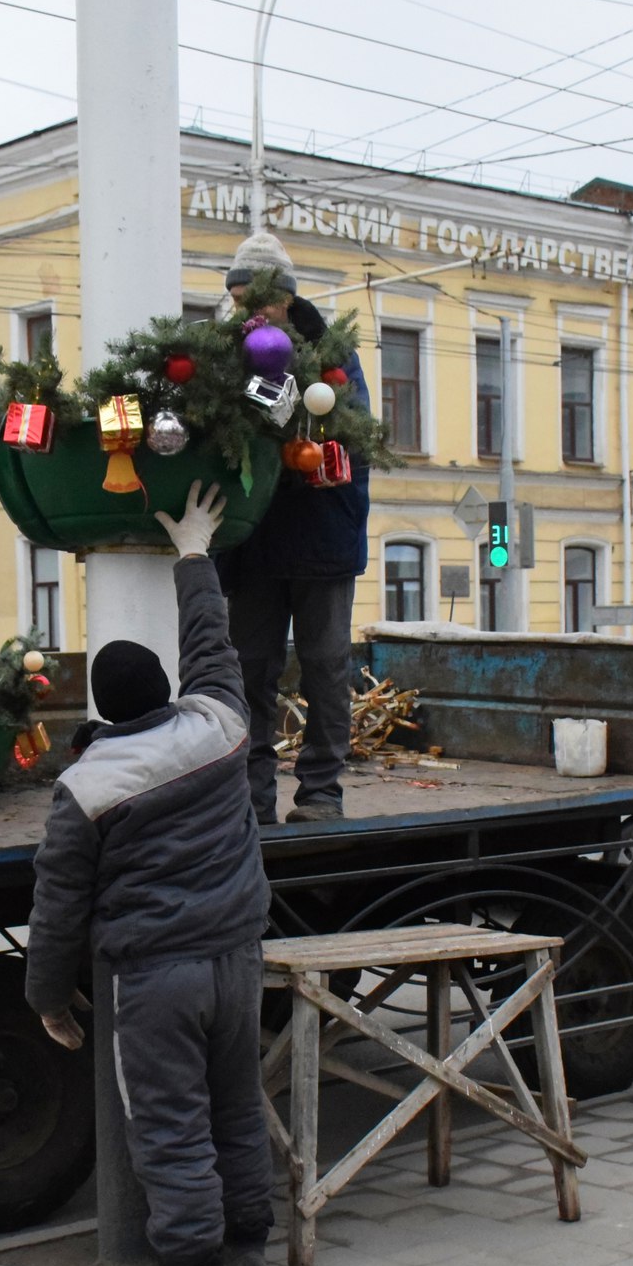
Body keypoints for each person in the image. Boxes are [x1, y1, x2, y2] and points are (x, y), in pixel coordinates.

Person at [27, 485, 275, 1266]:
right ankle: (248, 1251)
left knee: (170, 1126)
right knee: (237, 1103)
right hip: (239, 957)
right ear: (165, 688)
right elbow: (216, 648)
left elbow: (59, 905)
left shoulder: (86, 787)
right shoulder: (218, 724)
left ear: (103, 709)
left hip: (156, 977)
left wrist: (49, 997)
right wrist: (196, 553)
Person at [214, 231, 372, 826]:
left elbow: (356, 432)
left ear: (285, 297)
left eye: (258, 298)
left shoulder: (329, 354)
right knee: (250, 670)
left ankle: (320, 793)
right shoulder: (223, 355)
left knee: (325, 666)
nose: (247, 311)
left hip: (322, 537)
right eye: (236, 300)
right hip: (252, 541)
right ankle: (253, 799)